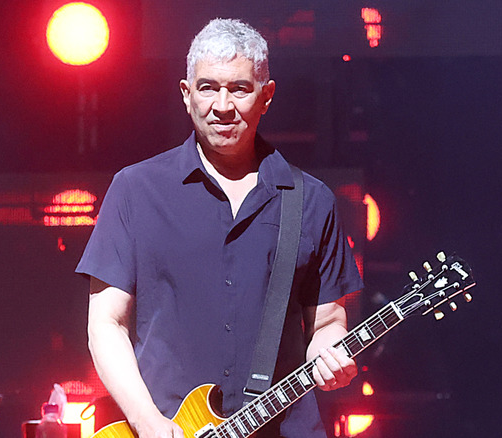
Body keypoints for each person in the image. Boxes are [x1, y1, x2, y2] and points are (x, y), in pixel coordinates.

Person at [77, 18, 363, 438]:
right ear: (186, 94)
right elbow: (106, 324)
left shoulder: (310, 199)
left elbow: (326, 324)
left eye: (240, 89)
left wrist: (331, 355)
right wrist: (148, 422)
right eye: (208, 87)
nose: (223, 105)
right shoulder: (136, 190)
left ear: (266, 97)